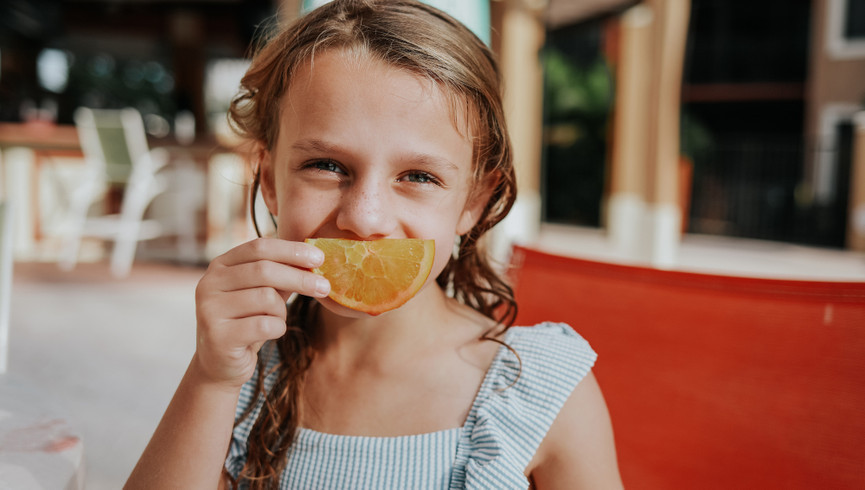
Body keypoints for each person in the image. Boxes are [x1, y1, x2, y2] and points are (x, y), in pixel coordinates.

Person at [125, 1, 623, 488]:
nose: (364, 219)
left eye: (418, 176)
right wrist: (211, 380)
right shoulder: (241, 373)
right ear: (270, 180)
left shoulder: (541, 390)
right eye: (326, 165)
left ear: (473, 202)